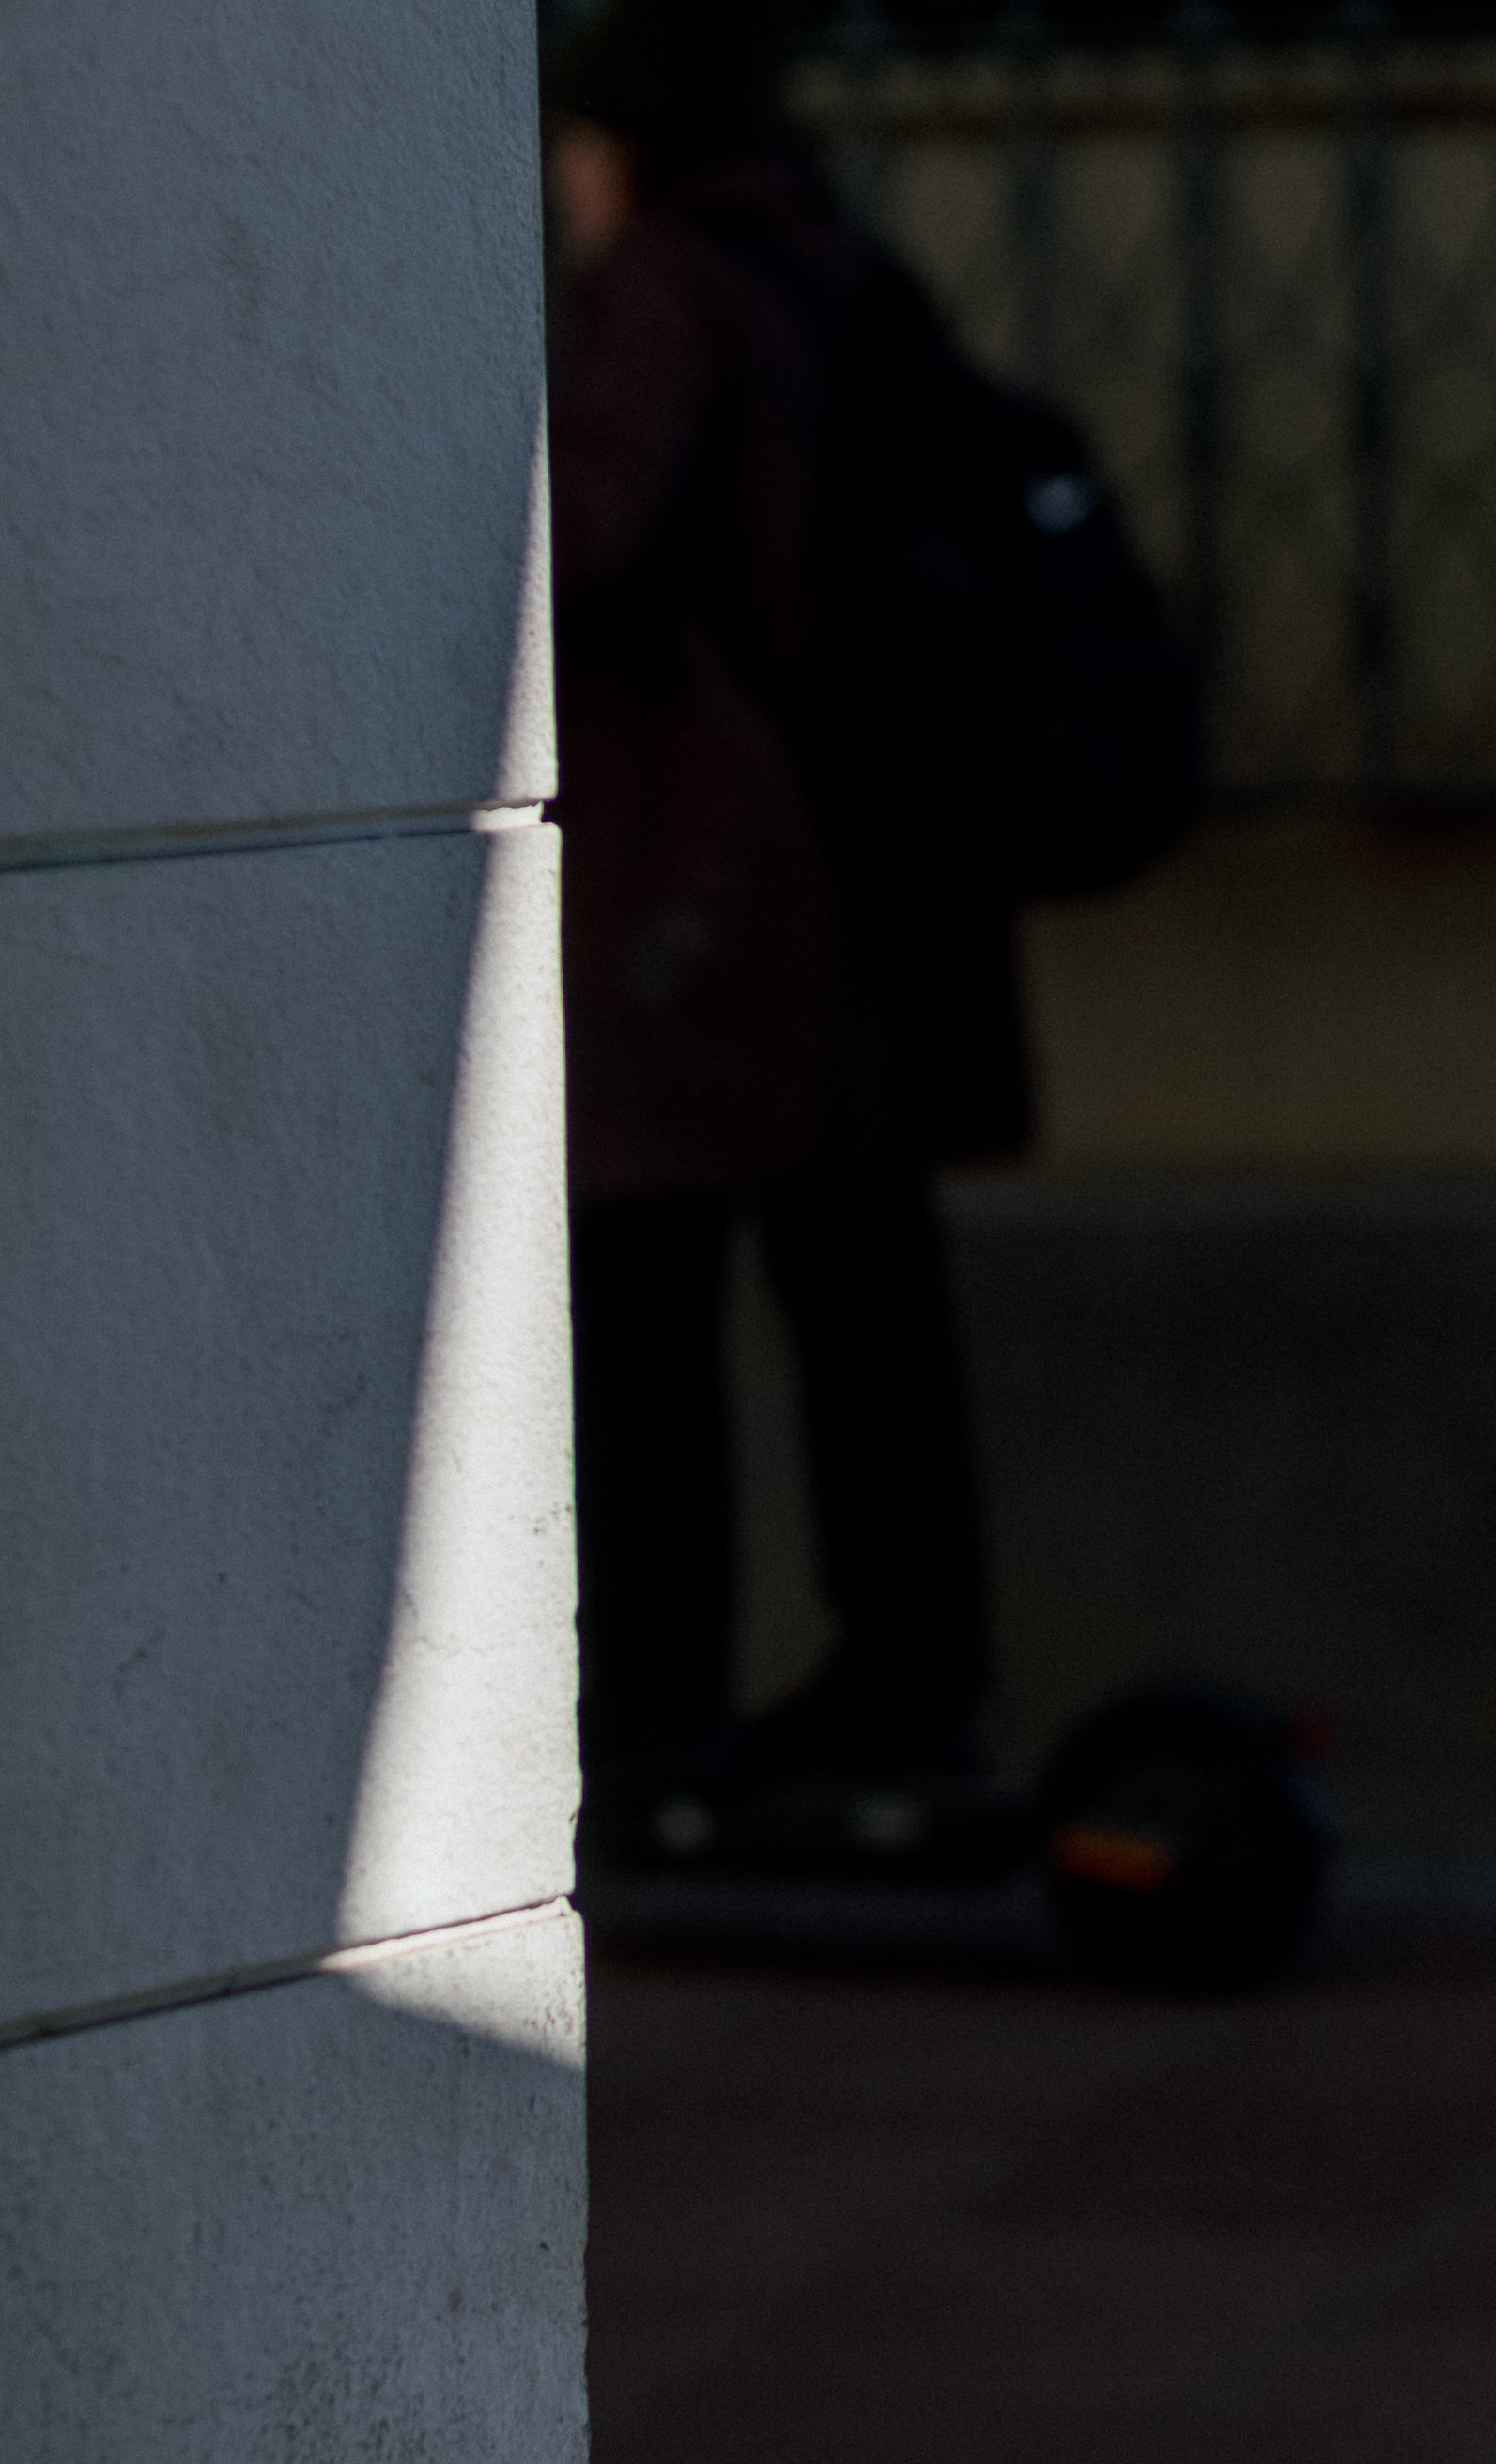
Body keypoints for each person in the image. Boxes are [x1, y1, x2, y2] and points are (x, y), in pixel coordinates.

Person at [544, 2, 1028, 1846]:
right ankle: (910, 1685)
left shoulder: (669, 285)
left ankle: (655, 1717)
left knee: (647, 1285)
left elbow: (586, 538)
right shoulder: (840, 264)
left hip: (718, 891)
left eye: (572, 148)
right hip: (881, 861)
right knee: (868, 1291)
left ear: (625, 146)